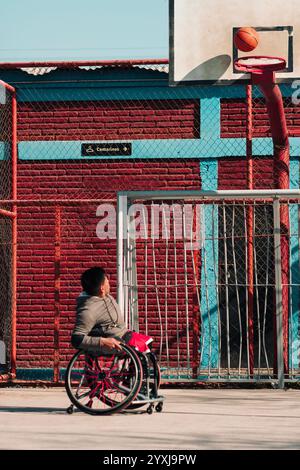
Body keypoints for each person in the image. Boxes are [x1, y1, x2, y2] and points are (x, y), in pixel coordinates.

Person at [71, 266, 153, 353]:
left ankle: (136, 366)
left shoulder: (103, 295)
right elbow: (76, 339)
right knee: (143, 350)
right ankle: (136, 366)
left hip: (124, 334)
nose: (109, 282)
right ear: (102, 288)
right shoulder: (88, 310)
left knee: (148, 342)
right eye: (106, 281)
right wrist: (102, 341)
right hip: (117, 341)